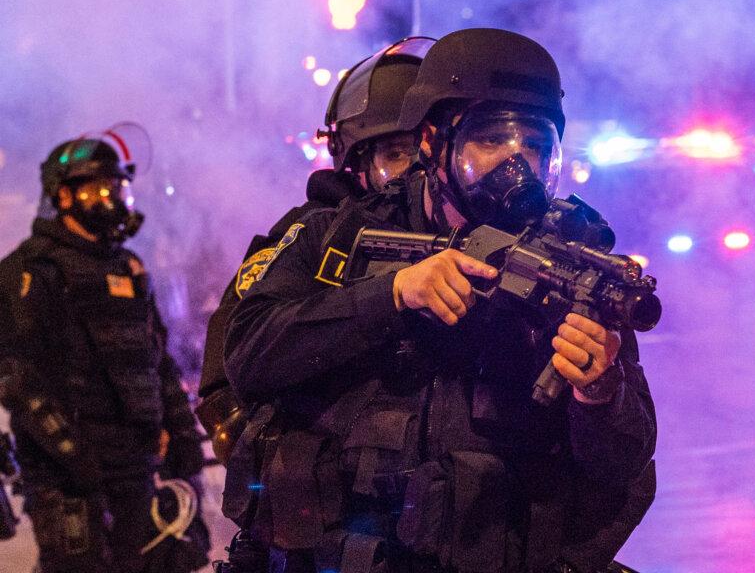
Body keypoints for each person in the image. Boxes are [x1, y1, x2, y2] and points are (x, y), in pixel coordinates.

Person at [221, 28, 657, 573]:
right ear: (432, 142)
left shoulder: (569, 267)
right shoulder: (335, 234)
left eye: (536, 146)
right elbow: (245, 357)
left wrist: (600, 392)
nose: (516, 165)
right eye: (493, 141)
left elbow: (626, 466)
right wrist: (392, 295)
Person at [195, 37, 434, 572]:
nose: (414, 172)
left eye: (424, 151)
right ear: (355, 160)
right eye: (395, 155)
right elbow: (226, 372)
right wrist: (286, 474)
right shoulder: (314, 236)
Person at [0, 135, 209, 573]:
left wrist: (182, 431)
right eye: (97, 189)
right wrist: (72, 453)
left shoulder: (128, 268)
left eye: (116, 188)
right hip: (67, 475)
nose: (111, 199)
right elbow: (16, 376)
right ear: (63, 196)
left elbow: (157, 360)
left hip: (136, 465)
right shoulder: (32, 270)